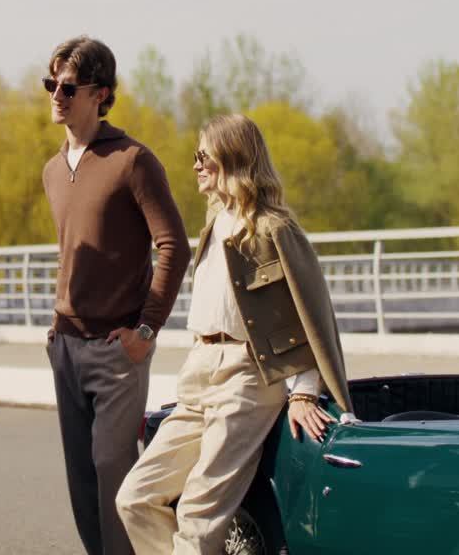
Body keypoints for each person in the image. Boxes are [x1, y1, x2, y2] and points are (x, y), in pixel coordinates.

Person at [116, 113, 354, 555]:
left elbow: (313, 318)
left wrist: (304, 391)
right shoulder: (214, 224)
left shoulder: (274, 229)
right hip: (198, 373)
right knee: (135, 498)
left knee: (198, 518)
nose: (196, 166)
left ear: (233, 159)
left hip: (247, 378)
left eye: (203, 156)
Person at [41, 35, 191, 555]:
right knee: (82, 483)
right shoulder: (53, 170)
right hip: (66, 345)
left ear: (100, 94)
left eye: (68, 86)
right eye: (50, 84)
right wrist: (56, 331)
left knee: (113, 473)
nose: (56, 95)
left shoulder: (133, 161)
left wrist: (146, 329)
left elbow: (174, 246)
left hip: (117, 347)